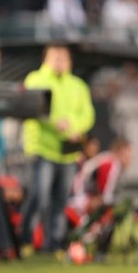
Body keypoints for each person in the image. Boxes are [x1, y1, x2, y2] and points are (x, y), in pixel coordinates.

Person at [20, 44, 95, 257]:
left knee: (60, 201)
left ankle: (54, 244)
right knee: (38, 196)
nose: (60, 61)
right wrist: (59, 126)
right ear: (46, 59)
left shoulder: (78, 85)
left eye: (64, 57)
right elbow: (34, 109)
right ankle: (25, 239)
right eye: (56, 57)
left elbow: (87, 114)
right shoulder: (35, 80)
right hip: (42, 148)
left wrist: (74, 129)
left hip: (68, 151)